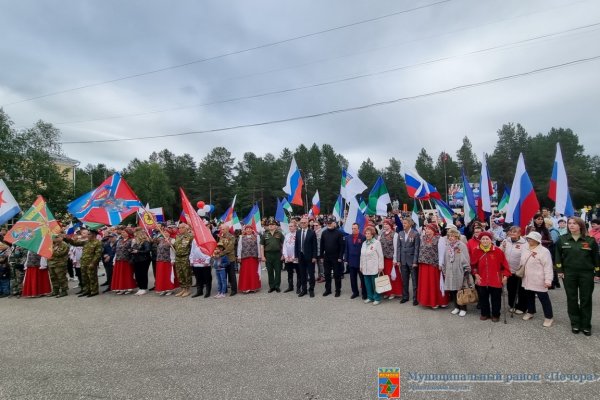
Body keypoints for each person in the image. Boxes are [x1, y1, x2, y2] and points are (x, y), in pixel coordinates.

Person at [555, 217, 600, 336]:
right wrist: (559, 270)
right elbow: (558, 256)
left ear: (580, 225)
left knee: (586, 299)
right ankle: (575, 323)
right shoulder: (562, 239)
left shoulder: (590, 240)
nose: (571, 225)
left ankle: (586, 325)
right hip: (569, 273)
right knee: (572, 298)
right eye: (569, 223)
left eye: (574, 223)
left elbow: (596, 258)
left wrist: (597, 273)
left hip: (586, 273)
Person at [471, 231, 511, 322]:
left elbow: (505, 266)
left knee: (496, 298)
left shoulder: (497, 251)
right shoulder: (476, 251)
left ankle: (496, 314)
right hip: (481, 278)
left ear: (490, 240)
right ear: (480, 240)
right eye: (483, 239)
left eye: (487, 239)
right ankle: (485, 313)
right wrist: (476, 274)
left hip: (495, 279)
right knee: (483, 297)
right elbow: (473, 266)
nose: (485, 240)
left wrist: (505, 276)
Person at [520, 231, 554, 327]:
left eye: (531, 238)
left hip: (539, 279)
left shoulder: (544, 251)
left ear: (537, 240)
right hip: (527, 278)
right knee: (529, 296)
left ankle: (549, 317)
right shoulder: (525, 248)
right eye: (528, 238)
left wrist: (548, 280)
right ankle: (530, 311)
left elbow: (548, 267)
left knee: (543, 298)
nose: (529, 240)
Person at [64, 229, 103, 298]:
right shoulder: (86, 242)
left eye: (89, 234)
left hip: (91, 263)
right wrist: (69, 239)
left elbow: (98, 255)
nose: (87, 235)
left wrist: (93, 263)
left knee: (92, 278)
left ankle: (94, 291)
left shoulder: (97, 243)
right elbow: (75, 243)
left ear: (93, 235)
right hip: (84, 263)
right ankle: (86, 290)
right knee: (84, 278)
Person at [416, 223, 448, 309]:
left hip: (434, 265)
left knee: (435, 284)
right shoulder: (423, 238)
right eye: (426, 229)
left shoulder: (439, 239)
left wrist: (441, 264)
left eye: (429, 229)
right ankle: (428, 301)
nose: (427, 231)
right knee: (426, 284)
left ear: (434, 230)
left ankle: (438, 301)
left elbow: (442, 252)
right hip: (424, 264)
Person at [441, 228, 470, 317]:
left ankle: (463, 308)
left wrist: (466, 269)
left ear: (457, 236)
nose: (451, 238)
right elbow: (445, 258)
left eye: (453, 236)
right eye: (449, 236)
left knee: (460, 290)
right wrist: (444, 269)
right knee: (452, 290)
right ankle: (456, 307)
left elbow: (466, 258)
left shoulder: (461, 245)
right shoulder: (448, 246)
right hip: (450, 271)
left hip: (459, 270)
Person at [501, 226, 527, 315]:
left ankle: (522, 307)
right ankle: (512, 305)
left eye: (515, 232)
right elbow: (501, 252)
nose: (512, 233)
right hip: (509, 270)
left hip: (519, 270)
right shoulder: (505, 241)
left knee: (521, 290)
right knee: (510, 289)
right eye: (511, 231)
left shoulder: (524, 243)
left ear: (519, 233)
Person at [395, 217, 420, 305]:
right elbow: (398, 248)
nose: (403, 225)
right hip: (403, 261)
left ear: (409, 224)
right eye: (403, 223)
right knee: (404, 280)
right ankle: (405, 296)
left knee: (414, 280)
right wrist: (398, 260)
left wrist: (415, 261)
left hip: (412, 261)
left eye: (405, 223)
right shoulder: (400, 233)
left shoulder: (415, 234)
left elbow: (417, 248)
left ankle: (415, 298)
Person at [320, 218, 345, 297]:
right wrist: (321, 256)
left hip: (336, 257)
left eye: (331, 223)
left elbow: (342, 246)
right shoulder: (324, 233)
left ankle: (338, 290)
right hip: (326, 257)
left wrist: (340, 256)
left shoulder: (339, 233)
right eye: (328, 223)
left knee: (337, 275)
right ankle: (328, 290)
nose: (329, 224)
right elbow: (322, 245)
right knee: (327, 274)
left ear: (334, 223)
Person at [360, 226, 384, 305]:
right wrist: (361, 266)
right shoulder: (364, 243)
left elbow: (380, 255)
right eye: (366, 233)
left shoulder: (377, 243)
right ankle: (370, 297)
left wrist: (381, 266)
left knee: (375, 283)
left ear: (372, 234)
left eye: (368, 233)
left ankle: (377, 298)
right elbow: (362, 256)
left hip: (374, 266)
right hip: (365, 267)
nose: (367, 235)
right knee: (367, 283)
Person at [379, 219, 402, 300]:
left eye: (387, 224)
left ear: (390, 225)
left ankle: (393, 292)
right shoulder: (381, 234)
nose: (385, 225)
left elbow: (396, 248)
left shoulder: (395, 234)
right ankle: (386, 292)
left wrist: (395, 259)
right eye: (384, 224)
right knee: (384, 275)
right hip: (383, 258)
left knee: (392, 275)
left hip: (391, 258)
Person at [295, 217, 318, 298]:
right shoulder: (297, 232)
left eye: (304, 222)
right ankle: (304, 290)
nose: (303, 224)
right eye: (302, 222)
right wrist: (296, 256)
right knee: (302, 274)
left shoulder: (312, 232)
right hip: (301, 256)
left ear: (308, 223)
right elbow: (296, 245)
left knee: (311, 274)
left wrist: (314, 256)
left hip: (310, 257)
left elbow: (315, 246)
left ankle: (311, 290)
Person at [260, 219, 284, 293]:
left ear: (276, 226)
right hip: (268, 255)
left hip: (277, 255)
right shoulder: (265, 234)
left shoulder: (280, 234)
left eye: (273, 224)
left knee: (278, 271)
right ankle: (272, 286)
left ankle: (277, 286)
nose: (271, 226)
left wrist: (283, 254)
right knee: (270, 271)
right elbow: (262, 246)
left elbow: (283, 245)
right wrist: (263, 256)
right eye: (270, 225)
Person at [237, 225, 262, 293]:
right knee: (245, 273)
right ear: (245, 230)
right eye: (247, 229)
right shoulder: (241, 237)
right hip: (245, 257)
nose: (248, 230)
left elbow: (258, 247)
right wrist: (239, 256)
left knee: (253, 272)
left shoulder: (257, 237)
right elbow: (239, 247)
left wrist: (259, 256)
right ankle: (245, 288)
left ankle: (254, 287)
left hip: (254, 257)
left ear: (252, 230)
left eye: (249, 229)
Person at [111, 229, 136, 295]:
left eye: (124, 232)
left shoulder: (132, 240)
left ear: (128, 233)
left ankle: (128, 287)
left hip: (126, 260)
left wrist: (129, 250)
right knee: (119, 274)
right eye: (122, 232)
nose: (122, 233)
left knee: (126, 274)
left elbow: (134, 249)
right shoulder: (119, 241)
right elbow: (116, 250)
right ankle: (120, 288)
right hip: (119, 259)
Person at [345, 223, 366, 299]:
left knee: (362, 278)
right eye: (352, 228)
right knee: (352, 278)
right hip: (351, 261)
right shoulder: (348, 238)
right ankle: (355, 292)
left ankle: (364, 293)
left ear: (358, 229)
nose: (353, 230)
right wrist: (346, 259)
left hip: (360, 262)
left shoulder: (363, 237)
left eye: (355, 228)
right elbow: (346, 249)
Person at [173, 223, 194, 298]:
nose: (180, 229)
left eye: (182, 228)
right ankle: (183, 288)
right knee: (179, 273)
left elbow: (193, 248)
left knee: (186, 273)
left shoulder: (190, 236)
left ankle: (187, 289)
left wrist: (191, 258)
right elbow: (175, 246)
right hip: (178, 257)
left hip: (185, 257)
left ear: (186, 228)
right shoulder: (178, 236)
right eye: (179, 228)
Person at [217, 223, 237, 296]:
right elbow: (219, 245)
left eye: (223, 229)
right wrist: (217, 251)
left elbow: (230, 248)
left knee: (231, 275)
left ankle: (234, 290)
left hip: (229, 258)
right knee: (223, 274)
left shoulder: (231, 237)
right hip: (222, 259)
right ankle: (224, 289)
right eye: (221, 229)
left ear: (227, 229)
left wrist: (221, 253)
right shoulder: (221, 237)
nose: (222, 230)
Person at [131, 230, 152, 296]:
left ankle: (144, 288)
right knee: (137, 274)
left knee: (143, 274)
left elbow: (147, 250)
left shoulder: (145, 242)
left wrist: (138, 251)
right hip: (136, 260)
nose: (135, 237)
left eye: (136, 235)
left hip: (144, 260)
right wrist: (131, 250)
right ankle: (140, 287)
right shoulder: (136, 242)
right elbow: (132, 248)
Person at [283, 220, 299, 293]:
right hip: (288, 258)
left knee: (299, 272)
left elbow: (298, 247)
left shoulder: (298, 235)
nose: (290, 227)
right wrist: (286, 256)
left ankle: (299, 287)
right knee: (289, 272)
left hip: (295, 257)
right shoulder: (287, 235)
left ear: (295, 227)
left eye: (292, 226)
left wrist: (293, 257)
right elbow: (284, 246)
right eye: (289, 226)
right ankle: (290, 286)